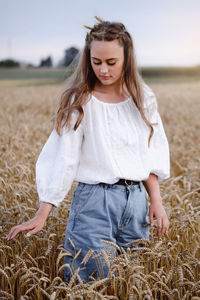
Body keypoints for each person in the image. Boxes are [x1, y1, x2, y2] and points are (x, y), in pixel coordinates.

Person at [7, 17, 170, 284]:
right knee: (89, 283)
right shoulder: (79, 100)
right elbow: (64, 156)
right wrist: (43, 211)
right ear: (88, 59)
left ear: (126, 59)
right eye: (96, 62)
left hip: (137, 202)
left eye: (111, 62)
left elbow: (150, 153)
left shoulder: (143, 98)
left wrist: (157, 202)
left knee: (131, 284)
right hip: (95, 202)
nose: (103, 70)